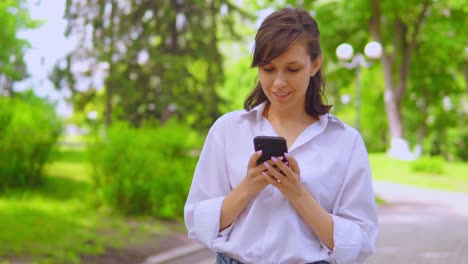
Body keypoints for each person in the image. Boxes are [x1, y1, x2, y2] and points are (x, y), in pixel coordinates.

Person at [184, 7, 378, 264]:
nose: (279, 82)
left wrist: (297, 194)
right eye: (268, 69)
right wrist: (248, 187)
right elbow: (199, 223)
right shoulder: (228, 130)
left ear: (315, 63)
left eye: (293, 69)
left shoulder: (345, 141)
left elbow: (358, 243)